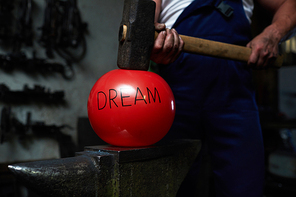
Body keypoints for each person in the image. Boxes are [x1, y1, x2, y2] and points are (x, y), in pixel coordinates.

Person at [151, 0, 296, 196]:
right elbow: (145, 19)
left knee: (244, 187)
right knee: (172, 187)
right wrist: (151, 41)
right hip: (174, 93)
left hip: (236, 92)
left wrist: (273, 34)